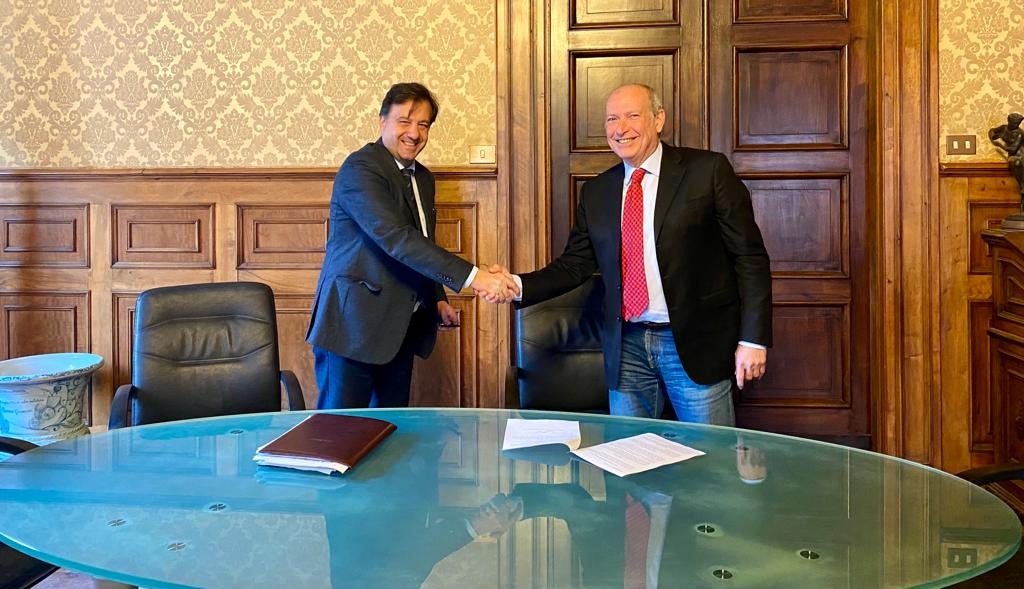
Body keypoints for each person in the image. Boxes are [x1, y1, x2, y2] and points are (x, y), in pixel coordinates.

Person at [496, 83, 772, 425]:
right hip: (627, 344)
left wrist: (753, 339)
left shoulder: (707, 171)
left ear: (658, 119)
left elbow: (749, 257)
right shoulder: (597, 191)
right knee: (628, 451)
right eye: (612, 119)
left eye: (632, 116)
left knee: (711, 452)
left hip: (695, 342)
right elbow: (574, 265)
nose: (620, 128)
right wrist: (516, 285)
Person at [307, 82, 517, 409]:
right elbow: (396, 238)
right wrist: (476, 277)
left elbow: (422, 240)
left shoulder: (423, 177)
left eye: (423, 125)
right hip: (353, 326)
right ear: (382, 122)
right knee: (341, 430)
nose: (414, 133)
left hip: (399, 327)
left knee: (391, 426)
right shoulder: (361, 168)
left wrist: (437, 298)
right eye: (404, 121)